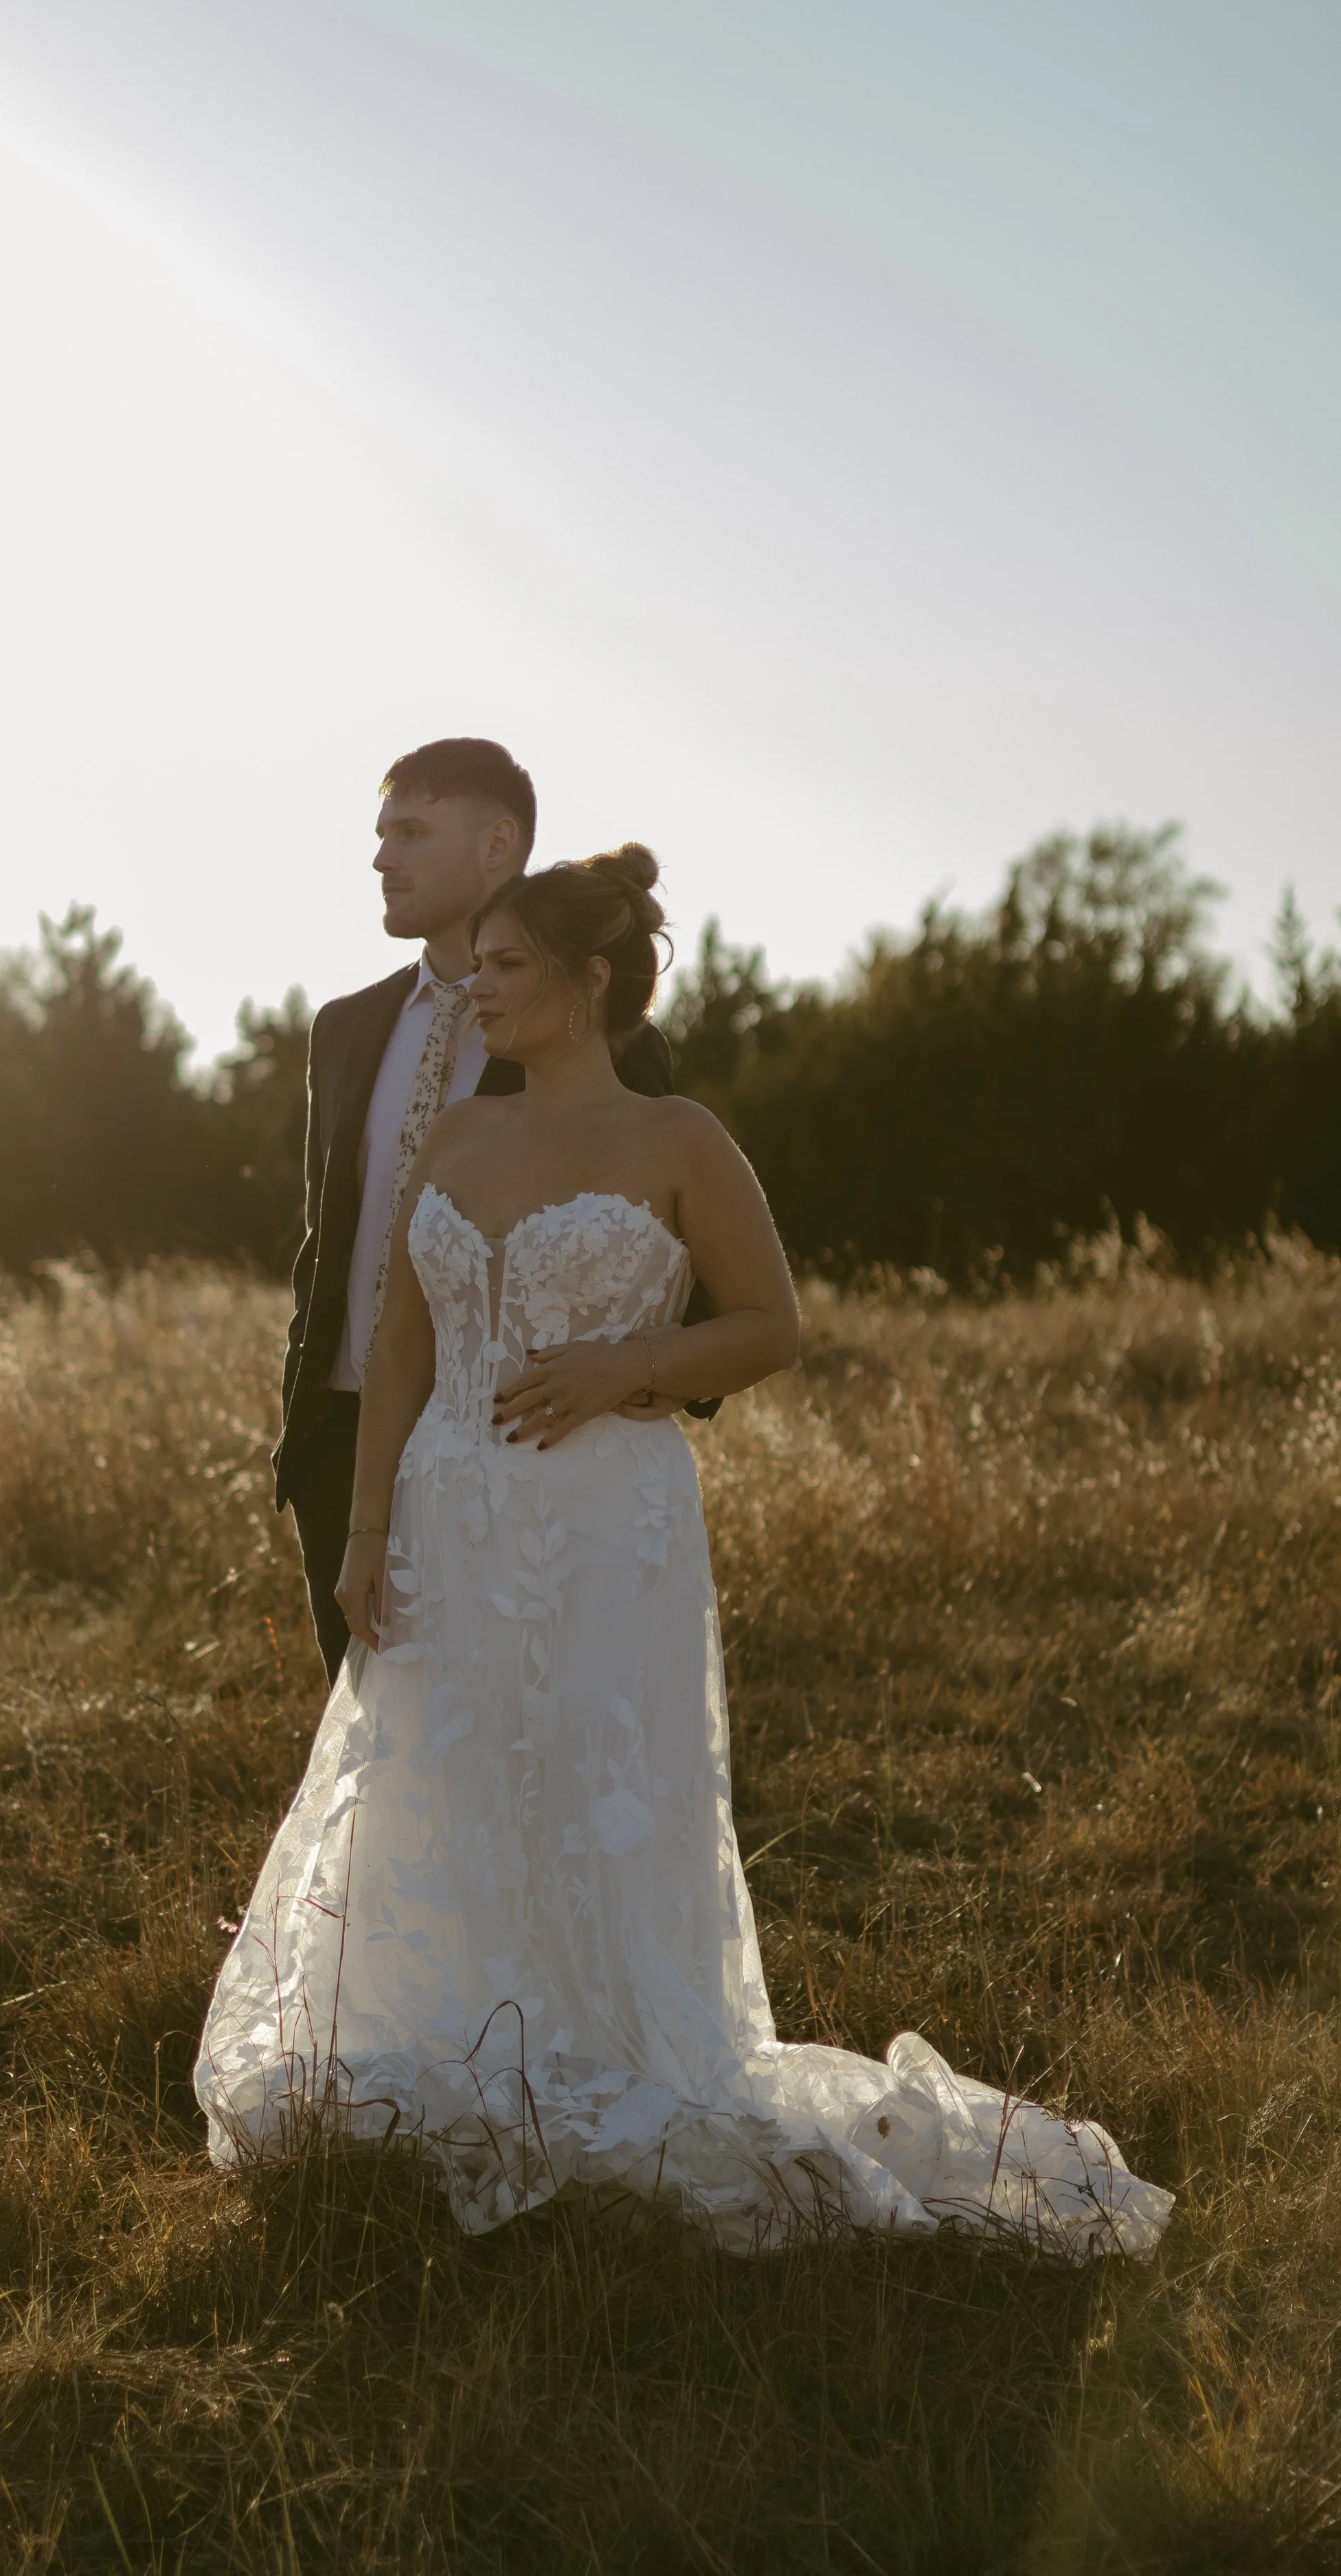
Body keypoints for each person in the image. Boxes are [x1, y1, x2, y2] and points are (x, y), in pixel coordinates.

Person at [196, 848, 1173, 2259]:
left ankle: (623, 2043)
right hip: (447, 1509)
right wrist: (364, 1531)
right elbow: (404, 1337)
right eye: (475, 965)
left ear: (590, 984)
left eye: (509, 965)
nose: (478, 987)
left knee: (598, 1772)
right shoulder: (458, 1137)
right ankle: (454, 2033)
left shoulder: (678, 1139)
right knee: (446, 1772)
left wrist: (626, 1363)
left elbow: (769, 1325)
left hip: (608, 1517)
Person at [273, 736, 715, 1687]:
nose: (382, 857)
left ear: (498, 844)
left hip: (520, 1447)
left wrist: (627, 1389)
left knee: (528, 1746)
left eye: (411, 831)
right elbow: (329, 1243)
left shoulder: (602, 1041)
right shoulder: (345, 1029)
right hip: (348, 1439)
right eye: (380, 833)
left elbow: (681, 1266)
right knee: (386, 1771)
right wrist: (306, 1444)